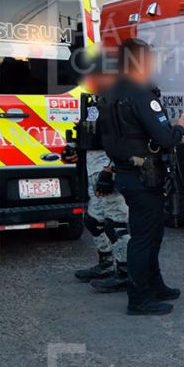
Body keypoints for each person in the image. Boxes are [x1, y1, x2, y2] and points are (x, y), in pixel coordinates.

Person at [101, 39, 184, 315]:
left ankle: (154, 285)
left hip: (126, 174)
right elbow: (164, 138)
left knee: (153, 234)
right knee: (143, 238)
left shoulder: (109, 94)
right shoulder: (142, 95)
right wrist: (179, 129)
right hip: (144, 177)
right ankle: (138, 299)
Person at [64, 46, 131, 292]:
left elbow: (128, 140)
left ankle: (124, 272)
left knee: (117, 223)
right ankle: (105, 264)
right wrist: (72, 147)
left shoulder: (121, 99)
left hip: (108, 168)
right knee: (93, 222)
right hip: (92, 167)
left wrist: (110, 169)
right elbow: (85, 127)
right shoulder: (95, 98)